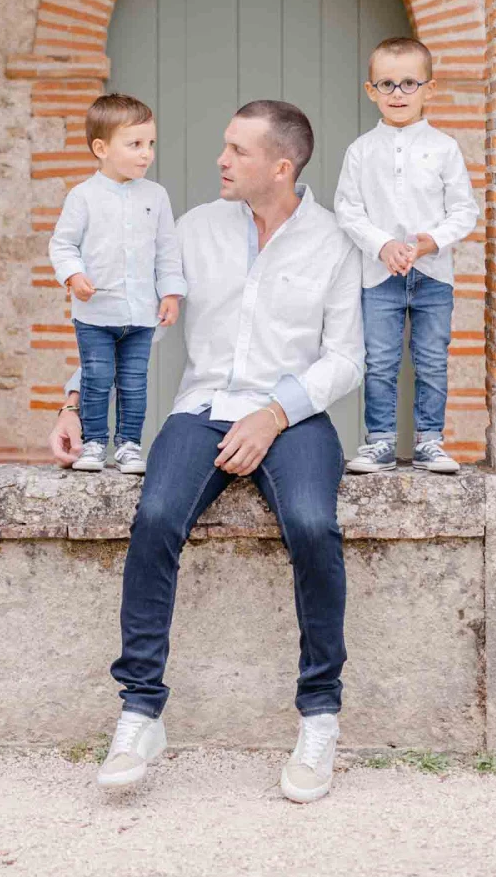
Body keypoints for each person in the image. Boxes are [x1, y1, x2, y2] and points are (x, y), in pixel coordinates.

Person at [50, 99, 364, 805]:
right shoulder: (192, 231)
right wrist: (74, 403)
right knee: (157, 516)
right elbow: (140, 324)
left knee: (313, 527)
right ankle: (138, 713)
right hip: (201, 410)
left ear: (280, 168)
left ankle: (320, 717)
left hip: (295, 416)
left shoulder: (334, 244)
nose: (220, 160)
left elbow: (347, 359)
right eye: (224, 147)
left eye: (237, 151)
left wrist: (276, 414)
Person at [334, 36, 479, 476]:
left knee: (432, 359)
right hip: (380, 277)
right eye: (387, 84)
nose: (398, 94)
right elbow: (347, 209)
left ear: (428, 90)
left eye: (409, 84)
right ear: (370, 90)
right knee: (380, 361)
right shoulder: (361, 151)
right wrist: (383, 245)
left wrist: (431, 240)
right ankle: (379, 441)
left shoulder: (444, 148)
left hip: (433, 275)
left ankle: (429, 441)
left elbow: (464, 210)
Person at [48, 94, 185, 475]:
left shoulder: (156, 197)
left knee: (134, 383)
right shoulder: (83, 197)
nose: (147, 154)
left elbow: (166, 250)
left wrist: (171, 292)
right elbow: (62, 244)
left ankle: (128, 445)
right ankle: (93, 442)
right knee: (96, 377)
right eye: (135, 144)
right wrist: (74, 275)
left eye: (151, 144)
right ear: (101, 148)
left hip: (141, 313)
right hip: (96, 313)